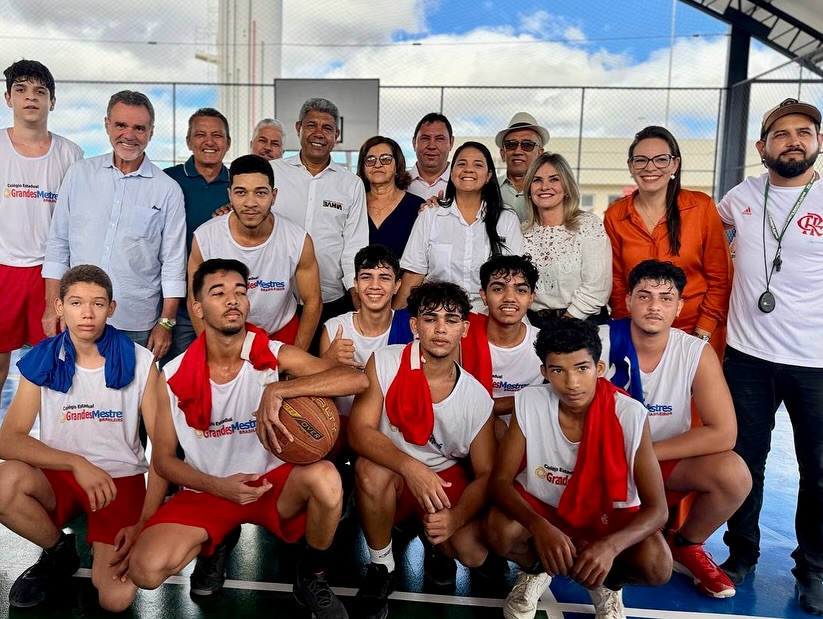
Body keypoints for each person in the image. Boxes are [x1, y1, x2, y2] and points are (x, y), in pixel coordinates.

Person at [128, 258, 368, 619]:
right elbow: (163, 461)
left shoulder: (270, 353)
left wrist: (279, 390)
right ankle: (217, 542)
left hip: (272, 483)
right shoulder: (172, 376)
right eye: (218, 293)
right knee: (145, 571)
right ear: (197, 308)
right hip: (210, 489)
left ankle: (311, 572)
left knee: (327, 479)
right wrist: (215, 489)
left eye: (240, 292)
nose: (232, 300)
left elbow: (356, 380)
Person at [0, 265, 163, 611]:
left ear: (111, 308)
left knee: (115, 599)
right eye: (76, 303)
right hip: (60, 476)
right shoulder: (42, 358)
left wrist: (144, 520)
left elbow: (163, 449)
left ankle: (104, 539)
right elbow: (8, 439)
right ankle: (59, 550)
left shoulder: (141, 361)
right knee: (3, 483)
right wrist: (76, 463)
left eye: (97, 304)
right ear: (59, 307)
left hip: (119, 480)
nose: (87, 313)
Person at [487, 319, 671, 619]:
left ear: (599, 368)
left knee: (657, 565)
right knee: (499, 530)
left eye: (581, 368)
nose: (571, 383)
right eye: (558, 370)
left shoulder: (629, 414)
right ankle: (536, 571)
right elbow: (500, 481)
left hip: (606, 514)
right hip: (546, 507)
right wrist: (539, 527)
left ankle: (608, 584)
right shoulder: (530, 401)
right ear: (544, 372)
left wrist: (611, 546)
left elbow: (658, 510)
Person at [716, 98, 823, 614]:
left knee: (818, 470)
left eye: (804, 132)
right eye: (781, 134)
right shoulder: (740, 197)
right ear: (762, 147)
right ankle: (741, 554)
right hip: (748, 356)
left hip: (815, 361)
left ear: (819, 142)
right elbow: (703, 240)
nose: (793, 141)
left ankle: (814, 568)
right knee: (744, 461)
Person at [603, 259, 751, 599]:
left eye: (666, 298)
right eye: (644, 296)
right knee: (640, 559)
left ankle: (686, 544)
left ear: (679, 306)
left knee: (734, 475)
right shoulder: (600, 341)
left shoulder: (695, 352)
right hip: (602, 462)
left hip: (659, 462)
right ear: (627, 300)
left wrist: (645, 456)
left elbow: (723, 432)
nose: (654, 306)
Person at [348, 281, 497, 619]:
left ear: (464, 329)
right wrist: (411, 468)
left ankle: (434, 541)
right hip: (395, 472)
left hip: (442, 477)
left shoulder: (476, 397)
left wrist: (457, 517)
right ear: (415, 325)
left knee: (472, 553)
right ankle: (382, 567)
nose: (441, 328)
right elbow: (358, 433)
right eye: (430, 319)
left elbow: (487, 473)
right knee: (369, 471)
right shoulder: (384, 361)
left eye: (451, 320)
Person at [43, 90, 187, 360]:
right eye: (121, 125)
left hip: (135, 322)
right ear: (107, 125)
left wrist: (166, 323)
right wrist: (53, 307)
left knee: (132, 387)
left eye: (139, 128)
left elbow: (173, 261)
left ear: (151, 132)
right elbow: (58, 243)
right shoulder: (79, 174)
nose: (129, 135)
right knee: (72, 386)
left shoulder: (167, 190)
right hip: (77, 316)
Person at [604, 126, 731, 358]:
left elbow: (721, 277)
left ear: (675, 164)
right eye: (641, 160)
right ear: (631, 166)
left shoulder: (701, 207)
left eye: (661, 159)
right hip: (640, 331)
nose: (650, 167)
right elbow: (617, 282)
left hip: (697, 329)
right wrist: (631, 329)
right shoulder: (615, 215)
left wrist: (703, 331)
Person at [0, 59, 82, 394]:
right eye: (21, 90)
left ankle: (48, 428)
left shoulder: (71, 154)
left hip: (49, 273)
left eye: (40, 91)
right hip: (3, 267)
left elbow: (76, 219)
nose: (30, 97)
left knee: (51, 363)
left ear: (53, 101)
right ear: (8, 98)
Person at [189, 154, 321, 350]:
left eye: (260, 193)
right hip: (225, 334)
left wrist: (298, 353)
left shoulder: (298, 239)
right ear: (229, 195)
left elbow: (313, 301)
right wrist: (212, 349)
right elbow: (195, 298)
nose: (250, 203)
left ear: (273, 196)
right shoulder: (205, 237)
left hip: (281, 331)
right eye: (241, 192)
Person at [271, 97, 368, 352]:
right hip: (276, 299)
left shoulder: (351, 184)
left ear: (336, 135)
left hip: (331, 299)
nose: (318, 133)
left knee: (324, 368)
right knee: (276, 367)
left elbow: (355, 245)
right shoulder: (273, 173)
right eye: (311, 125)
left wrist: (355, 292)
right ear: (298, 128)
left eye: (327, 128)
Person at [396, 141, 525, 311]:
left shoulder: (506, 218)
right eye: (462, 164)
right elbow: (414, 272)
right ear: (451, 173)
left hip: (491, 314)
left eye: (478, 165)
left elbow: (516, 278)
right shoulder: (430, 215)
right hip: (439, 313)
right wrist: (393, 318)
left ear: (488, 176)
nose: (468, 169)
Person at [163, 107, 232, 361]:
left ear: (228, 143)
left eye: (217, 135)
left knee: (223, 369)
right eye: (201, 134)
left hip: (223, 299)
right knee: (179, 370)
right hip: (177, 301)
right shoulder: (167, 180)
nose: (209, 142)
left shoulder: (238, 186)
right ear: (189, 141)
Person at [319, 244, 412, 420]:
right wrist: (327, 362)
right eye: (366, 277)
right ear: (355, 283)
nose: (374, 285)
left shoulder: (410, 327)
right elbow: (321, 393)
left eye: (384, 278)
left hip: (394, 426)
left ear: (397, 285)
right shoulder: (334, 329)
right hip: (344, 423)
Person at [460, 254, 543, 442]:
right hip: (467, 433)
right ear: (483, 296)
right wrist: (529, 399)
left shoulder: (545, 344)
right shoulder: (462, 337)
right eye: (498, 289)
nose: (510, 298)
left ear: (531, 298)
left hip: (531, 436)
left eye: (520, 290)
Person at [522, 152, 611, 325]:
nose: (544, 186)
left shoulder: (588, 225)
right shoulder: (521, 232)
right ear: (529, 191)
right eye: (537, 180)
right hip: (534, 325)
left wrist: (563, 326)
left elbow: (597, 289)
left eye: (554, 179)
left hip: (583, 323)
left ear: (567, 188)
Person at [356, 136, 424, 259]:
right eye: (370, 160)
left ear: (397, 166)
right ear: (363, 168)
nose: (377, 165)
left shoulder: (416, 206)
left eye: (385, 159)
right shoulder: (354, 204)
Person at [495, 112, 549, 222]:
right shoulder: (488, 189)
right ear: (502, 153)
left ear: (540, 154)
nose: (518, 151)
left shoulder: (550, 192)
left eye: (527, 145)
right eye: (511, 144)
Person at [407, 113, 454, 200]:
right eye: (425, 138)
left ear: (451, 143)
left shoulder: (462, 184)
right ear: (414, 143)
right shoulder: (397, 184)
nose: (431, 146)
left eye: (439, 139)